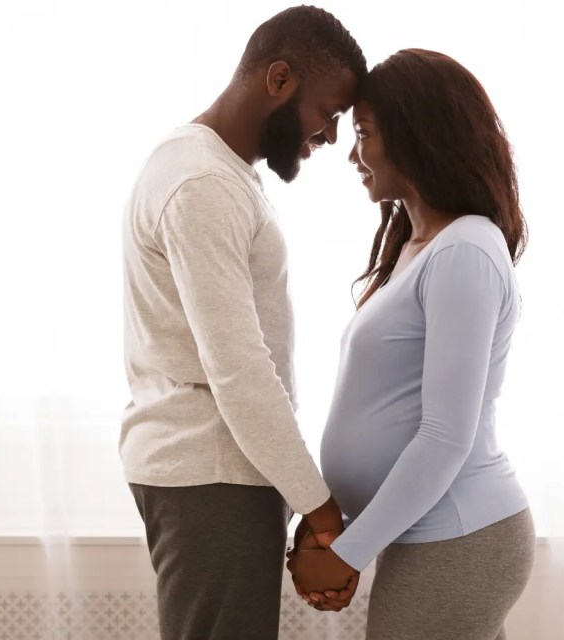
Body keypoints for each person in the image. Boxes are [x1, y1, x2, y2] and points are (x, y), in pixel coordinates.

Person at [119, 6, 366, 639]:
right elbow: (239, 370)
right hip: (212, 474)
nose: (331, 137)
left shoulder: (214, 170)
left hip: (218, 472)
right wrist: (320, 506)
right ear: (278, 80)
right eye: (329, 114)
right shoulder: (203, 183)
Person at [285, 48, 535, 640]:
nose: (353, 154)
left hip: (459, 535)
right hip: (431, 536)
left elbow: (446, 436)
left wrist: (348, 552)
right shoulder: (415, 248)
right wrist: (334, 523)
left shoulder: (465, 252)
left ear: (419, 135)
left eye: (365, 133)